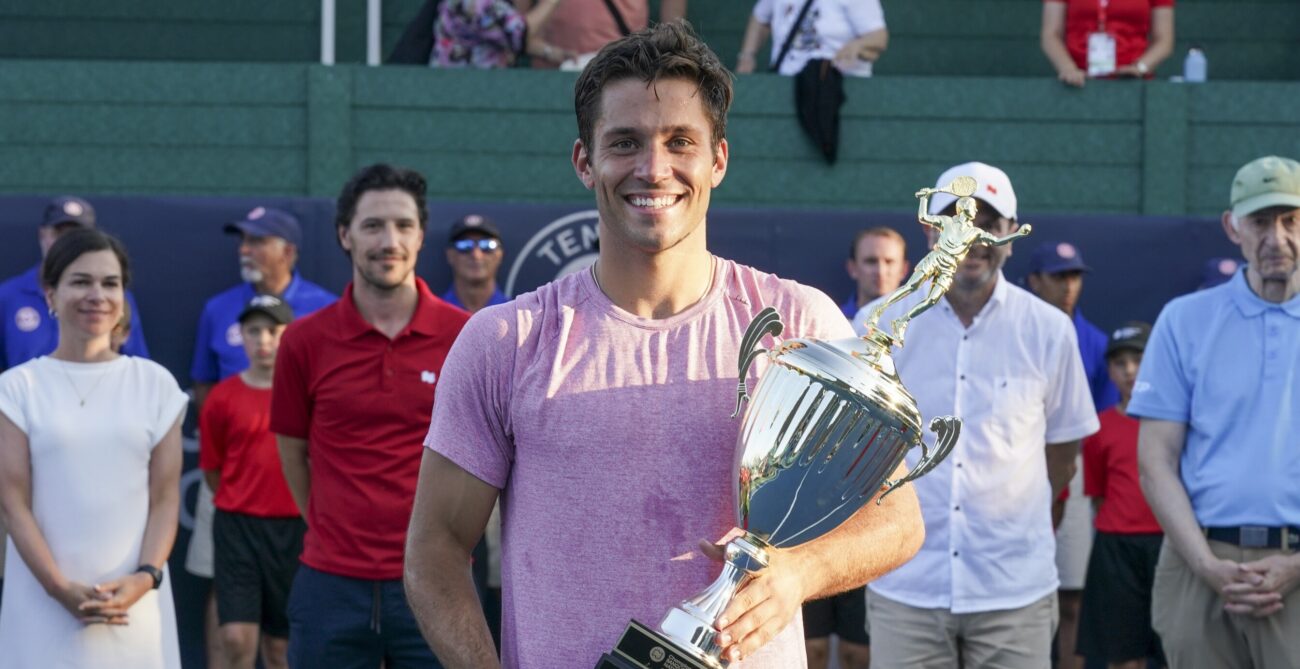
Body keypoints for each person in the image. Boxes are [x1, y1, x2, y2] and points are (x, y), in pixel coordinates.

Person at [406, 21, 925, 668]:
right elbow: (434, 550)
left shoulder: (800, 323)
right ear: (583, 160)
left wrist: (798, 572)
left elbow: (898, 522)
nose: (654, 168)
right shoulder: (505, 341)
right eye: (624, 142)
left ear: (718, 160)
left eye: (680, 141)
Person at [853, 161, 1100, 669]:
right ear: (929, 230)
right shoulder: (880, 321)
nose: (972, 236)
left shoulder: (1050, 330)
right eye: (954, 218)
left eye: (988, 222)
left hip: (1014, 592)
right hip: (905, 585)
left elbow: (1064, 455)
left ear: (1011, 234)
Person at [270, 163, 469, 668]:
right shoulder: (302, 341)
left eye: (403, 226)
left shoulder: (468, 336)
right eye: (373, 226)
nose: (389, 240)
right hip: (330, 585)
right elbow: (292, 449)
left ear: (421, 236)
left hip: (437, 581)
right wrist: (331, 526)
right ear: (345, 235)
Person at [1132, 155, 1300, 668]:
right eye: (1259, 221)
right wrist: (1206, 566)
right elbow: (1155, 460)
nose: (1276, 238)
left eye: (1291, 220)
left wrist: (1295, 567)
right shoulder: (1185, 321)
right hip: (1196, 565)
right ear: (1233, 228)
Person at [0, 228, 187, 668]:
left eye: (110, 283)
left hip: (137, 606)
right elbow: (13, 502)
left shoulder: (155, 384)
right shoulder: (17, 388)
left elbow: (165, 497)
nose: (97, 295)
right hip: (42, 605)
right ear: (50, 293)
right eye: (80, 281)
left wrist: (145, 579)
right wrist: (57, 587)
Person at [187, 205, 335, 669]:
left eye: (257, 241)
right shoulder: (218, 308)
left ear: (288, 251)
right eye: (243, 240)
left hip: (299, 492)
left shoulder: (325, 306)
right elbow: (206, 388)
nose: (245, 250)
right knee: (229, 604)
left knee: (283, 631)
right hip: (234, 487)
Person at [200, 295, 303, 669]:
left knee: (281, 649)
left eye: (273, 331)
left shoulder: (305, 394)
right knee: (236, 640)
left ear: (289, 335)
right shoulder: (222, 398)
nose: (264, 340)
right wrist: (242, 498)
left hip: (293, 530)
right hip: (237, 528)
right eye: (254, 331)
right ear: (240, 336)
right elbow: (213, 470)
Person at [1024, 240, 1114, 669]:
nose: (1068, 286)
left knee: (1071, 593)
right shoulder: (1015, 329)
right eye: (1059, 276)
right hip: (1014, 465)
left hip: (1075, 470)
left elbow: (1101, 422)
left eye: (1074, 276)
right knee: (1021, 593)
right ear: (1035, 281)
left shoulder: (1094, 340)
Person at [1076, 321, 1165, 669]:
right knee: (1122, 654)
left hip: (1168, 543)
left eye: (1138, 360)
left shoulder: (1174, 423)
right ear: (1109, 371)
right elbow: (1098, 492)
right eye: (1120, 363)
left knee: (1176, 645)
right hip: (1115, 549)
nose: (1130, 371)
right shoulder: (1099, 428)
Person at [1, 196, 149, 371]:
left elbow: (135, 365)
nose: (68, 244)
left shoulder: (116, 299)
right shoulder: (7, 296)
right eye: (59, 233)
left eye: (77, 236)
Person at [516, 0, 687, 69]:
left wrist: (669, 49)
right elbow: (516, 26)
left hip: (624, 65)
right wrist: (545, 50)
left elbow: (673, 24)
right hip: (553, 68)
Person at [1040, 0, 1175, 87]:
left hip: (1131, 81)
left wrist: (1140, 68)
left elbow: (1164, 40)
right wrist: (1069, 70)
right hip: (1079, 80)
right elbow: (1051, 35)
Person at [736, 0, 888, 77]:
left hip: (838, 83)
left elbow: (879, 37)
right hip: (787, 82)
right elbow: (760, 17)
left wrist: (858, 46)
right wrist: (747, 55)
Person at [442, 214, 509, 313]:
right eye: (464, 245)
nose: (476, 255)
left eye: (487, 245)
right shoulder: (433, 314)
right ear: (450, 255)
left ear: (499, 255)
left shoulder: (515, 315)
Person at [841, 226, 908, 321]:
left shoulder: (917, 323)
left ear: (904, 270)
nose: (880, 271)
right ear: (852, 268)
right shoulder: (833, 321)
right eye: (871, 261)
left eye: (889, 262)